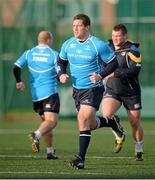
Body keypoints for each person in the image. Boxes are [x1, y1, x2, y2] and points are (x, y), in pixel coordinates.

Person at [57, 14, 125, 169]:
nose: (75, 28)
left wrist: (100, 75)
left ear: (87, 27)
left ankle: (80, 159)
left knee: (83, 119)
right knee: (90, 123)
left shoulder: (98, 44)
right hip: (77, 90)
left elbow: (113, 63)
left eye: (79, 25)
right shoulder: (68, 44)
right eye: (73, 25)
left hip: (93, 89)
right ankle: (111, 123)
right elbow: (61, 61)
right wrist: (61, 73)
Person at [13, 31, 59, 160]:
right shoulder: (54, 54)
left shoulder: (29, 53)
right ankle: (36, 135)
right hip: (50, 93)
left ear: (39, 40)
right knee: (52, 122)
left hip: (36, 96)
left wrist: (18, 81)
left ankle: (50, 151)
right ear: (49, 40)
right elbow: (60, 71)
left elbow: (16, 67)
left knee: (46, 123)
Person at [102, 24, 144, 161]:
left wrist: (115, 73)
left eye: (118, 36)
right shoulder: (107, 46)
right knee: (107, 114)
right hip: (113, 89)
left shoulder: (133, 50)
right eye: (113, 35)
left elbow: (134, 70)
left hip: (130, 92)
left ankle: (138, 149)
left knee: (134, 122)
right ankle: (119, 134)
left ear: (125, 36)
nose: (115, 38)